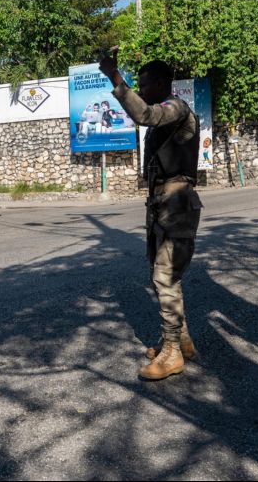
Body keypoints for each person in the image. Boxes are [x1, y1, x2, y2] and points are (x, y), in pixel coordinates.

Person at [100, 51, 202, 381]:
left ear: (161, 83)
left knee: (165, 276)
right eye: (138, 85)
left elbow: (143, 113)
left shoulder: (176, 109)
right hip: (161, 206)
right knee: (162, 277)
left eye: (144, 84)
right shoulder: (163, 120)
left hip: (177, 205)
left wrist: (115, 77)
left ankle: (172, 353)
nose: (141, 90)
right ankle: (180, 341)